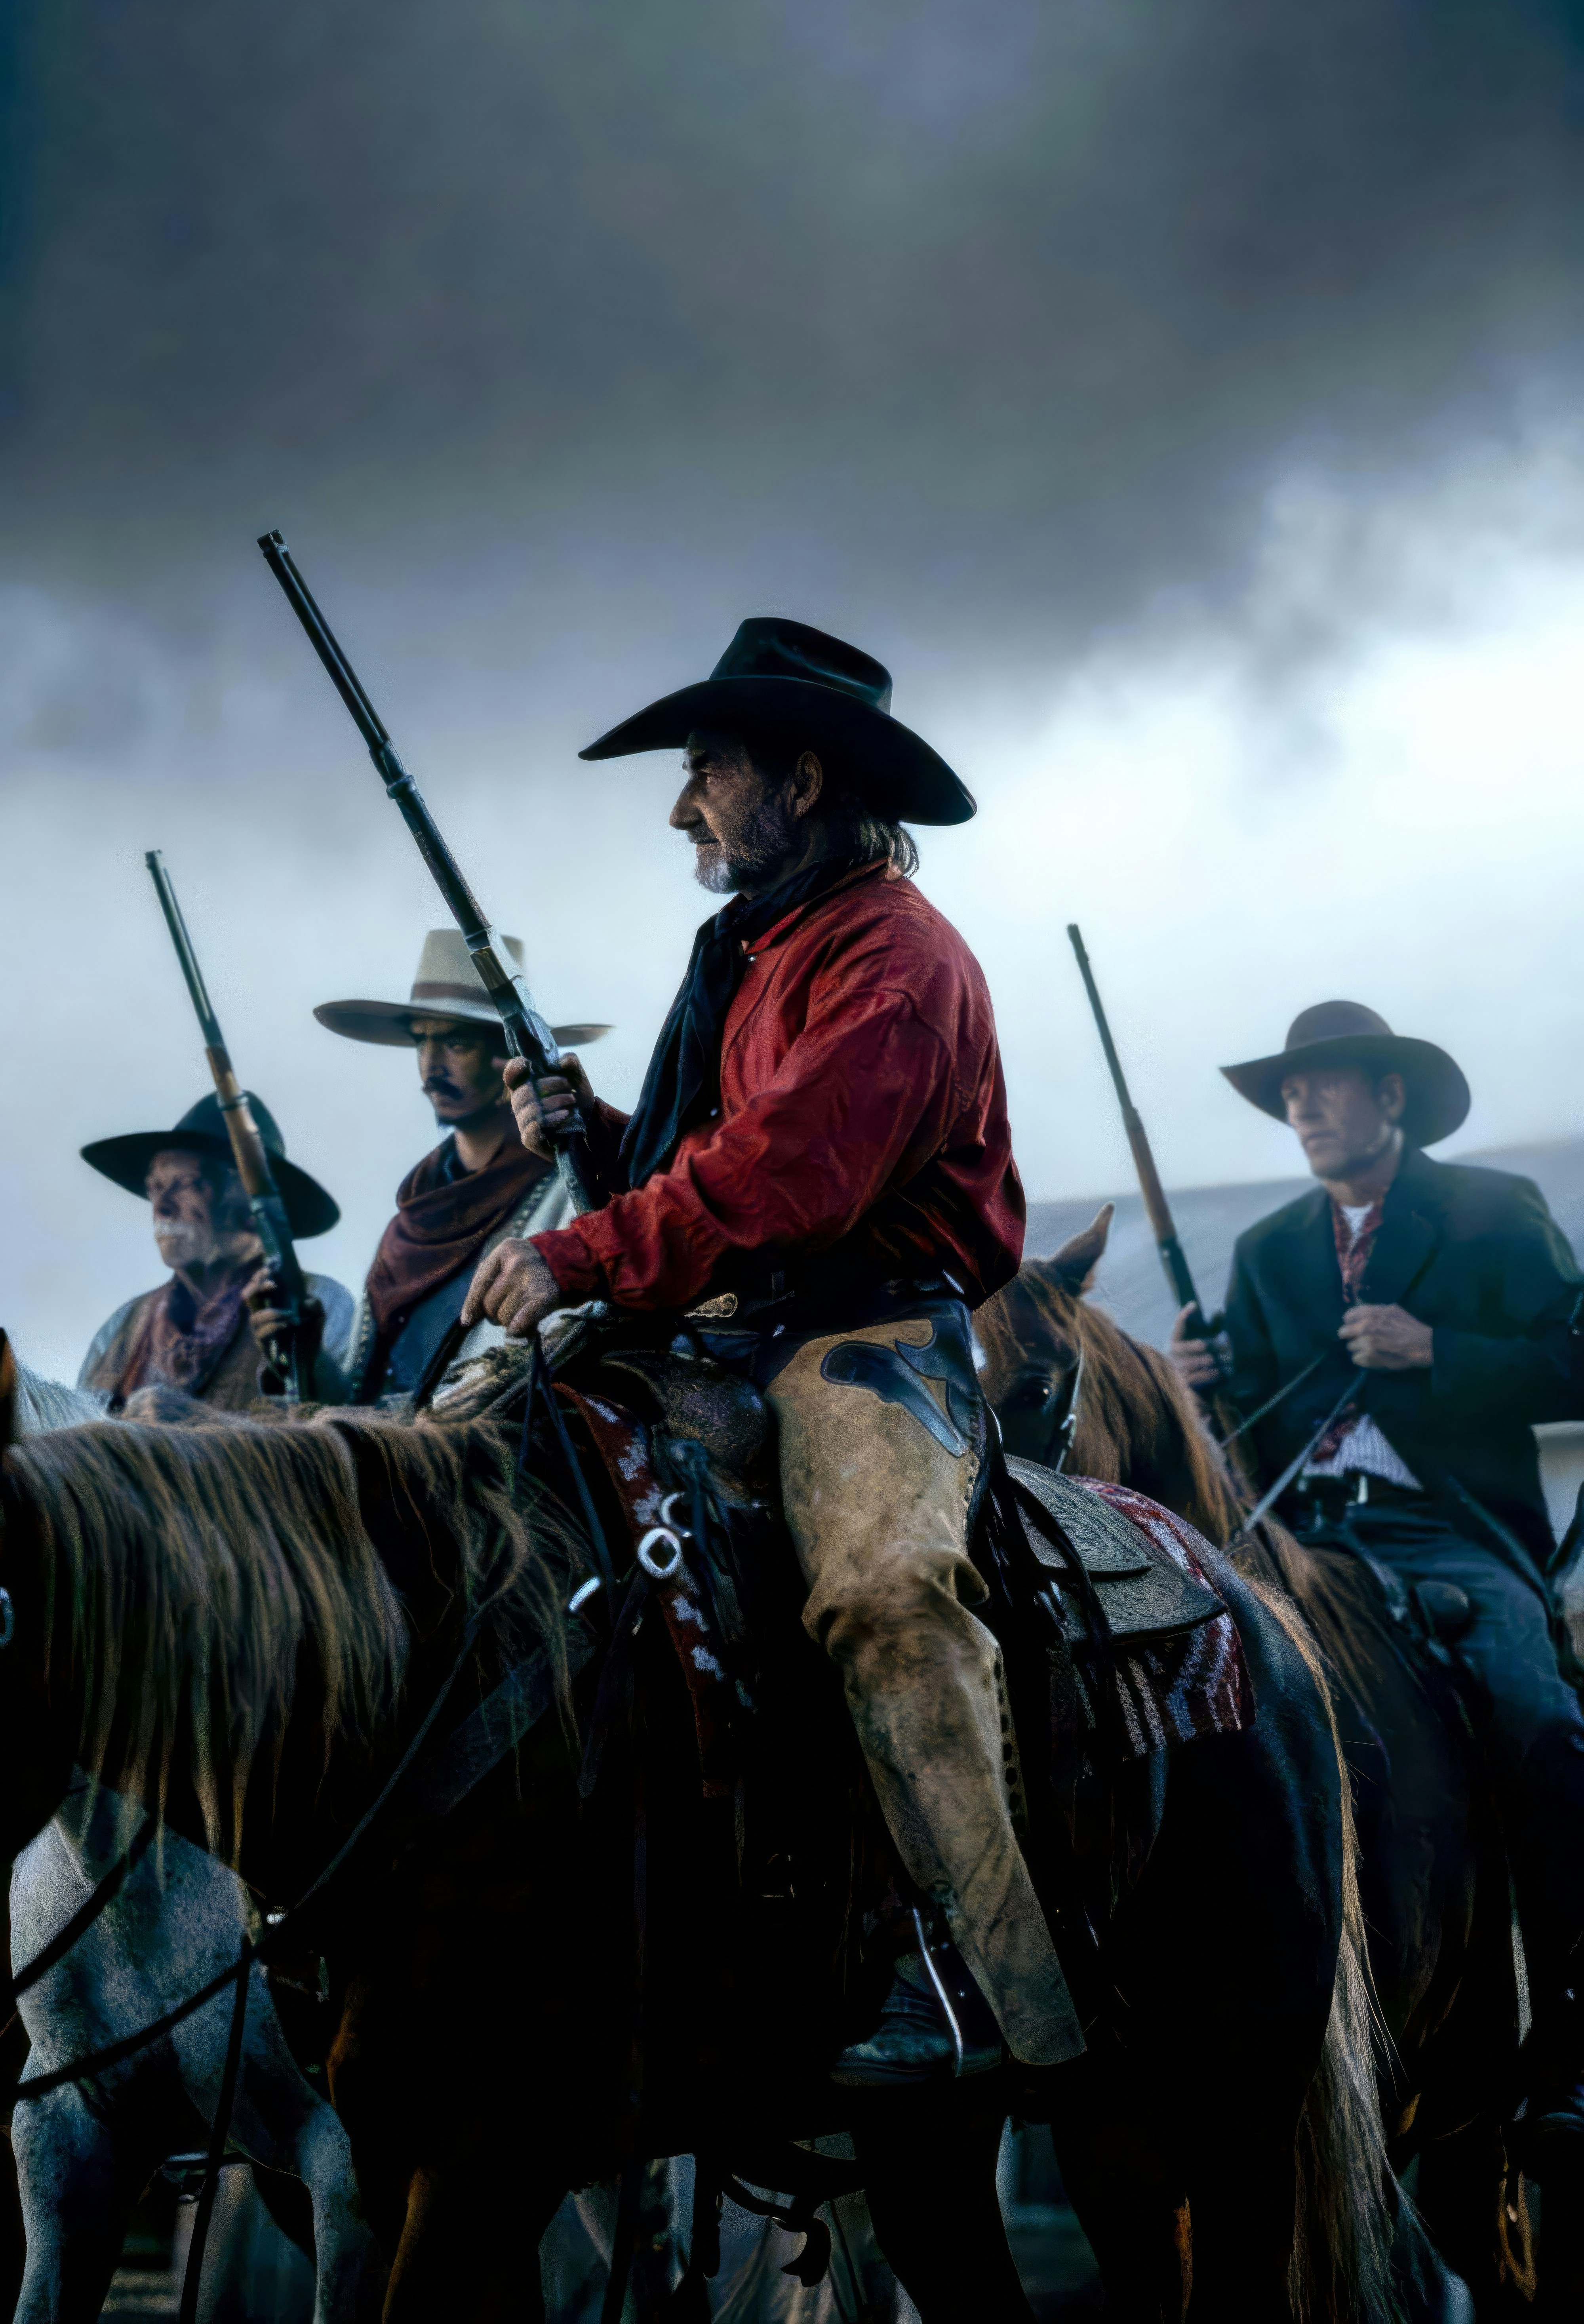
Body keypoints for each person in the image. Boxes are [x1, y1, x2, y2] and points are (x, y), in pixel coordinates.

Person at [460, 615, 1083, 2087]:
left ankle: (987, 1986)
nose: (683, 805)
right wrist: (603, 1142)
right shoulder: (747, 951)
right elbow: (711, 1158)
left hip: (867, 1337)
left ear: (799, 781)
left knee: (882, 1600)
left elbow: (796, 1172)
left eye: (706, 770)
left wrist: (574, 1250)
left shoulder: (901, 957)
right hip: (718, 1337)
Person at [1170, 999, 1584, 2172]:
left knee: (1543, 1727)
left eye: (1325, 1085)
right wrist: (1199, 1387)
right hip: (1300, 1545)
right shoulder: (1266, 1254)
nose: (1300, 1107)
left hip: (1450, 1534)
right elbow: (1247, 1447)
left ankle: (1567, 2040)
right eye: (1286, 1094)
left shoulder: (1491, 1212)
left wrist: (1439, 1350)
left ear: (1389, 1096)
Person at [250, 930, 607, 1403]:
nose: (431, 1066)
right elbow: (359, 1403)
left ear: (507, 1057)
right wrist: (307, 1351)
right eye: (422, 1043)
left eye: (456, 1045)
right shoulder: (409, 1225)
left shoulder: (571, 1195)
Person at [78, 1094, 350, 1412]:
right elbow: (77, 1443)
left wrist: (311, 1362)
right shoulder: (122, 1329)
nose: (162, 1207)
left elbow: (351, 1432)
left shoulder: (323, 1304)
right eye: (155, 1188)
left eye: (187, 1185)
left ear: (249, 1203)